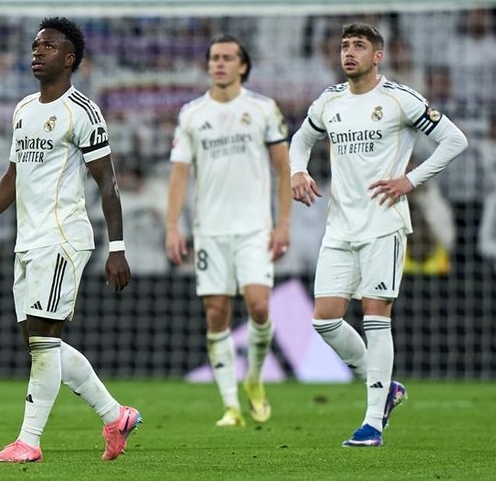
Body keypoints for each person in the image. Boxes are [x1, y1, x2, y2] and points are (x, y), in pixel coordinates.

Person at [0, 17, 139, 463]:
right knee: (38, 342)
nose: (38, 52)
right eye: (36, 46)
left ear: (70, 58)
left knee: (42, 340)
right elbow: (14, 174)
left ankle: (29, 442)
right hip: (27, 240)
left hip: (63, 237)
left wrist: (117, 248)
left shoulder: (83, 111)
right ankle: (116, 416)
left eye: (49, 47)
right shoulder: (23, 109)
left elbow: (108, 183)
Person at [289, 22, 468, 447]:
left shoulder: (399, 99)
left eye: (359, 46)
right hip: (340, 226)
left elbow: (454, 139)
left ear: (377, 55)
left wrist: (411, 180)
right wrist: (298, 170)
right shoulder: (329, 100)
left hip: (384, 224)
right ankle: (386, 388)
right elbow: (300, 139)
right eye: (345, 45)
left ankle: (372, 423)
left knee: (375, 316)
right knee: (324, 320)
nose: (349, 52)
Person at [164, 34, 292, 428]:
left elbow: (283, 169)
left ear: (243, 66)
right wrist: (172, 225)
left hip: (255, 227)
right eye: (214, 58)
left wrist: (283, 222)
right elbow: (180, 174)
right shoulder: (191, 114)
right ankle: (231, 406)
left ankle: (254, 376)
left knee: (259, 306)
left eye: (228, 57)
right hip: (210, 230)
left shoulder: (263, 109)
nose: (219, 63)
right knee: (216, 312)